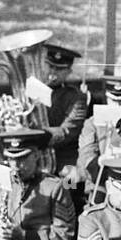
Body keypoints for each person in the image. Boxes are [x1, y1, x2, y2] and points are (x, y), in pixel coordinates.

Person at [41, 42, 90, 177]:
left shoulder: (77, 97)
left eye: (59, 69)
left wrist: (37, 136)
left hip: (62, 156)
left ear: (68, 72)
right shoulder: (28, 90)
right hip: (29, 153)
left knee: (71, 178)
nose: (53, 73)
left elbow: (67, 132)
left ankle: (71, 198)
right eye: (50, 66)